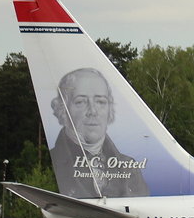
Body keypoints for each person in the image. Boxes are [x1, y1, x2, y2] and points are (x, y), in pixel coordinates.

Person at [48, 67, 150, 198]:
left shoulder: (130, 167)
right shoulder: (52, 162)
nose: (93, 111)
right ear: (63, 109)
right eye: (81, 102)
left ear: (109, 109)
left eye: (100, 102)